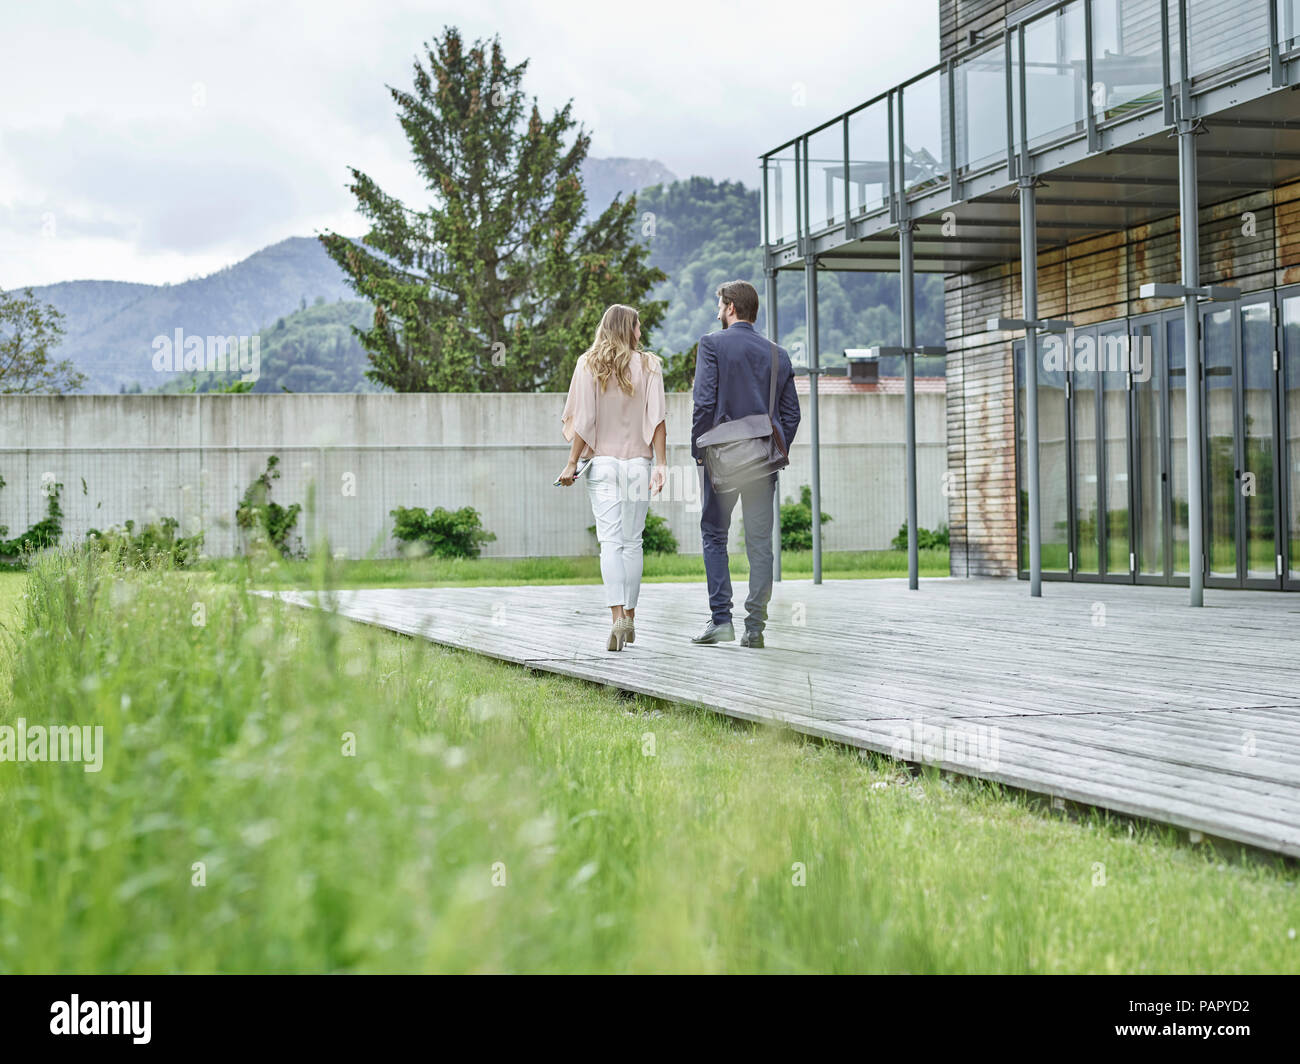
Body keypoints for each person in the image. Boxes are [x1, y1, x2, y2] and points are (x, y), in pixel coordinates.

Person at [690, 280, 800, 648]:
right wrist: (771, 451)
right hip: (762, 465)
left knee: (714, 534)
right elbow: (791, 414)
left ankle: (722, 619)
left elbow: (704, 404)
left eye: (719, 304)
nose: (716, 311)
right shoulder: (777, 355)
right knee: (759, 543)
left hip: (721, 461)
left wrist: (700, 451)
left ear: (731, 307)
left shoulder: (711, 344)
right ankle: (755, 627)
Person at [557, 304, 667, 651]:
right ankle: (631, 617)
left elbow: (584, 421)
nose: (641, 332)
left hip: (602, 464)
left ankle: (617, 616)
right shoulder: (650, 364)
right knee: (633, 543)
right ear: (626, 328)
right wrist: (662, 464)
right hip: (638, 463)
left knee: (610, 543)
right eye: (637, 326)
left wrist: (572, 462)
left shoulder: (588, 364)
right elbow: (658, 418)